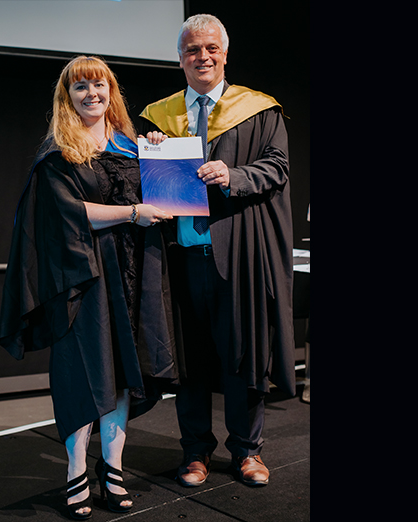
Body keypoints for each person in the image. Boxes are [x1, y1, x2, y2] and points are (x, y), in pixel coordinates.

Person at [0, 56, 178, 518]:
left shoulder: (131, 144)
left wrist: (159, 151)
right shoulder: (58, 150)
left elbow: (161, 195)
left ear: (111, 91)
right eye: (80, 88)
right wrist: (132, 213)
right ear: (67, 97)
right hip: (84, 277)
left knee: (121, 373)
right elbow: (68, 212)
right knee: (85, 372)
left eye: (99, 85)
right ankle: (76, 469)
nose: (91, 94)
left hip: (134, 270)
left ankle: (113, 469)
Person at [139, 14, 295, 487]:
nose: (201, 57)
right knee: (190, 361)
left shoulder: (259, 109)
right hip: (179, 257)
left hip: (238, 255)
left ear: (224, 54)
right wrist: (148, 150)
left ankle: (248, 452)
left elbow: (277, 166)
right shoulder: (156, 116)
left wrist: (234, 175)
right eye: (192, 50)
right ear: (180, 58)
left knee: (243, 354)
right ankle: (195, 452)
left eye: (210, 48)